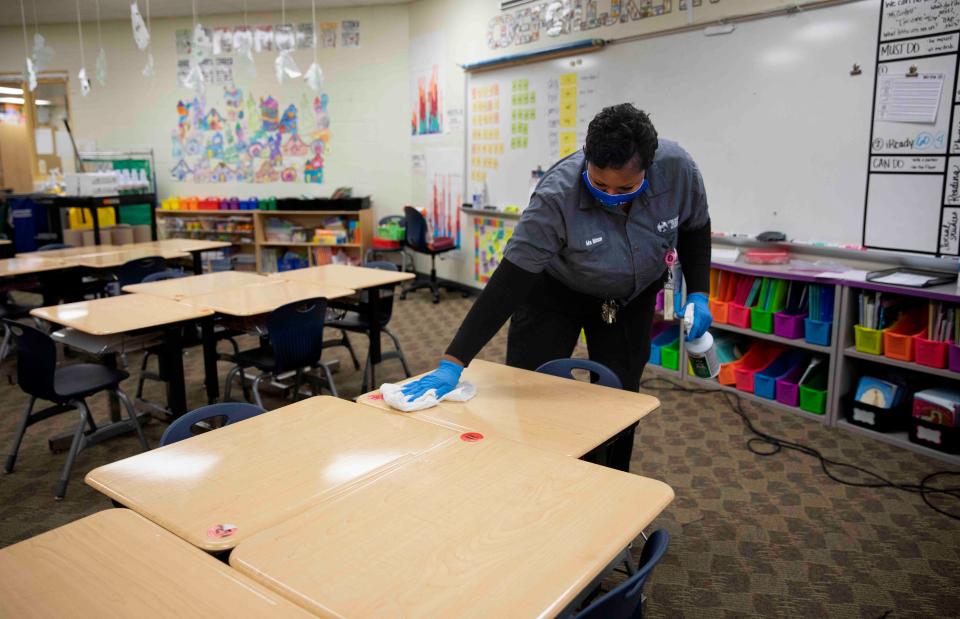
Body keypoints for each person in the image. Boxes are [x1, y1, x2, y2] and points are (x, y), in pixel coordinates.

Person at [402, 103, 713, 470]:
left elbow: (695, 227)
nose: (610, 195)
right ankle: (536, 475)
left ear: (649, 165)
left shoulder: (677, 170)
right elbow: (509, 282)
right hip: (553, 295)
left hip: (629, 300)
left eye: (625, 187)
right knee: (531, 391)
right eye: (599, 184)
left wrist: (699, 292)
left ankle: (611, 480)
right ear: (586, 159)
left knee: (620, 401)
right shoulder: (555, 196)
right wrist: (453, 363)